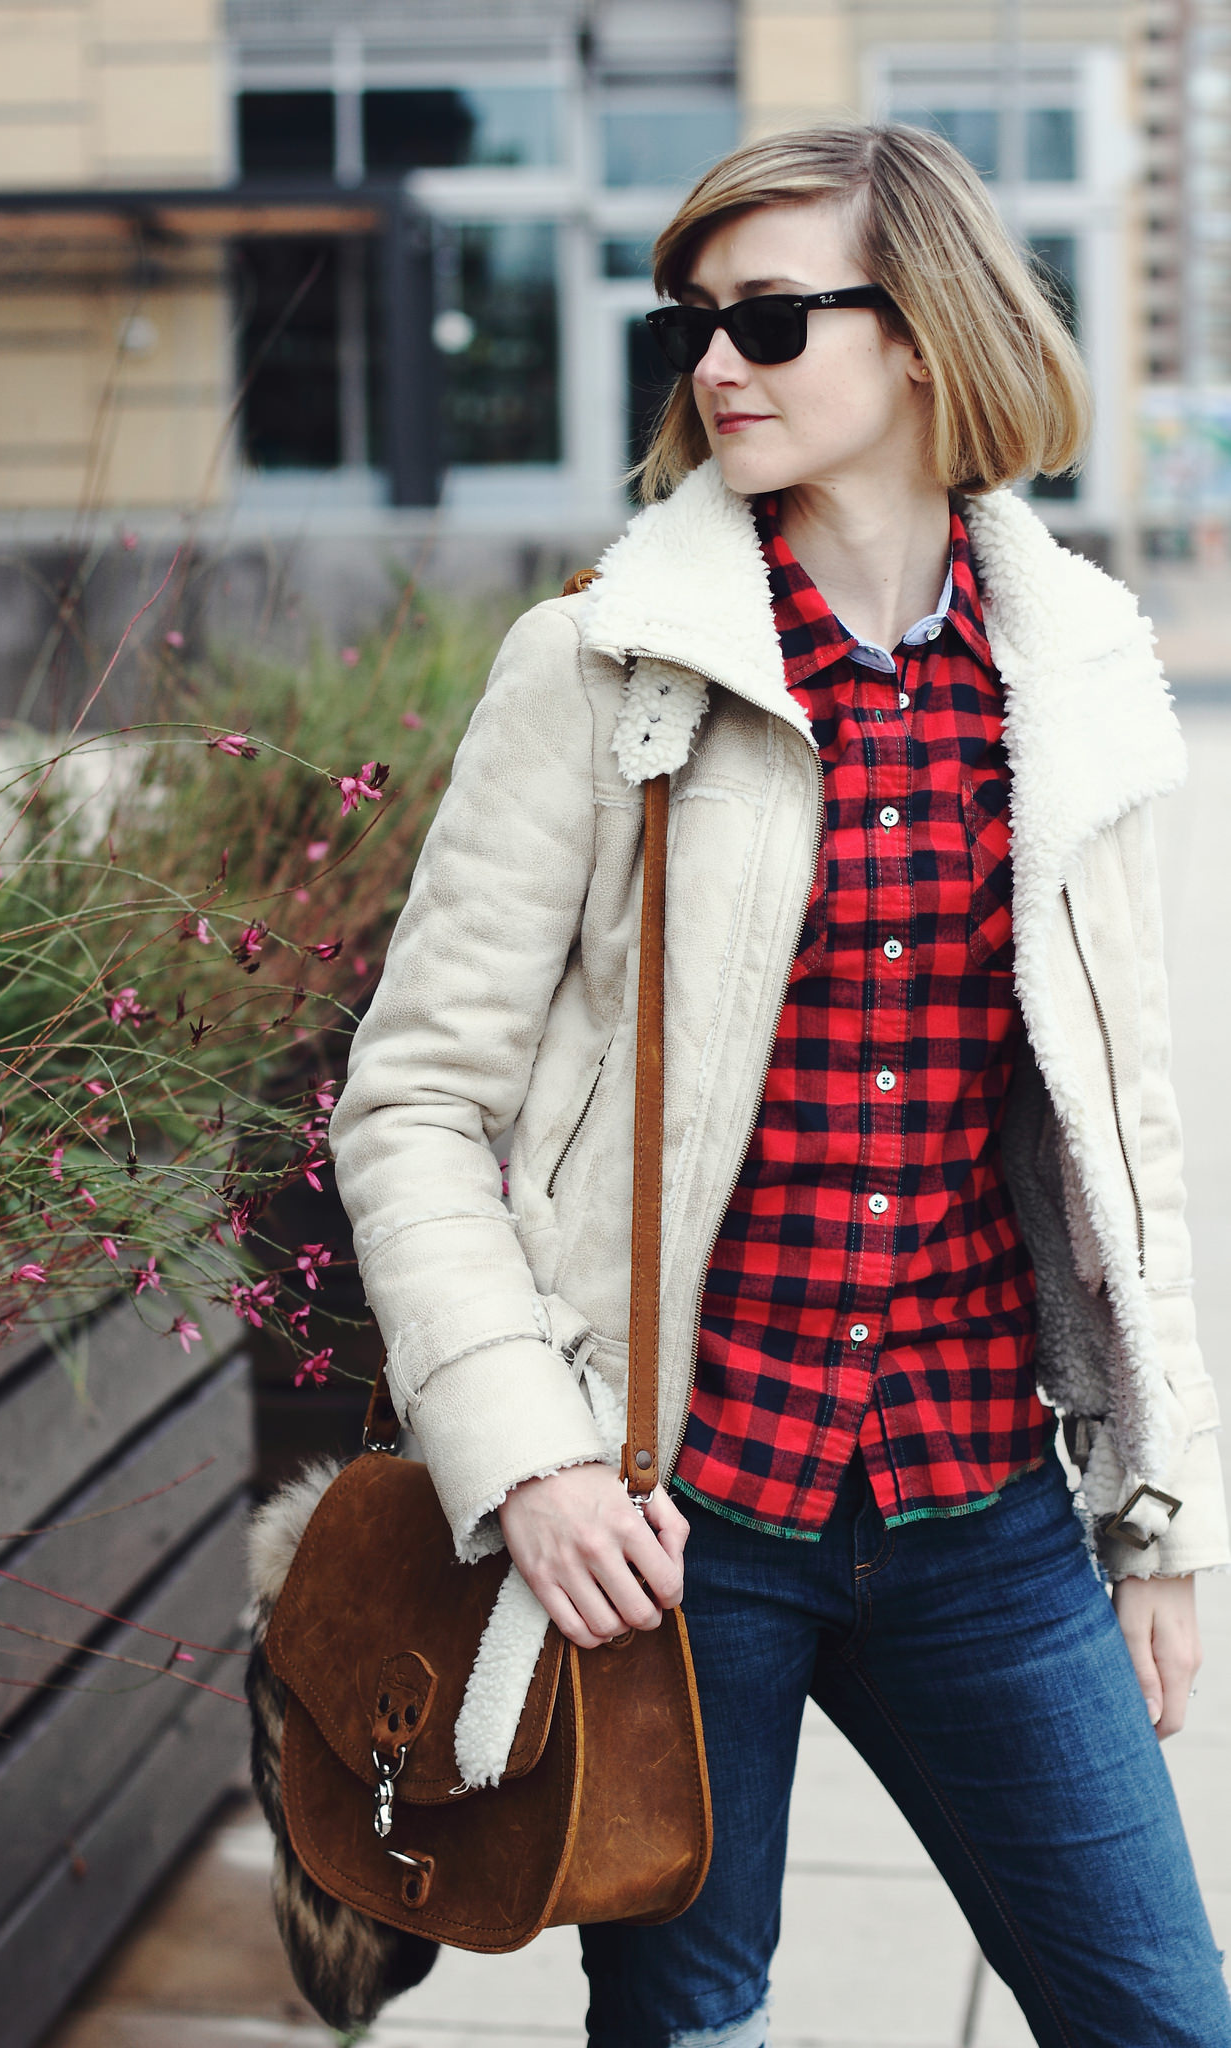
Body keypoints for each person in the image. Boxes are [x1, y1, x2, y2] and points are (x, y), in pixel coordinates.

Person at [328, 122, 1231, 2048]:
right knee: (691, 2025)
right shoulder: (597, 667)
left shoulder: (1069, 676)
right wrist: (531, 1455)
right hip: (675, 1535)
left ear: (924, 339)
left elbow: (1121, 1128)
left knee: (1157, 2011)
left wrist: (1159, 1518)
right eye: (694, 326)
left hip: (979, 1507)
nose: (712, 365)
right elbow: (412, 1104)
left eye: (765, 319)